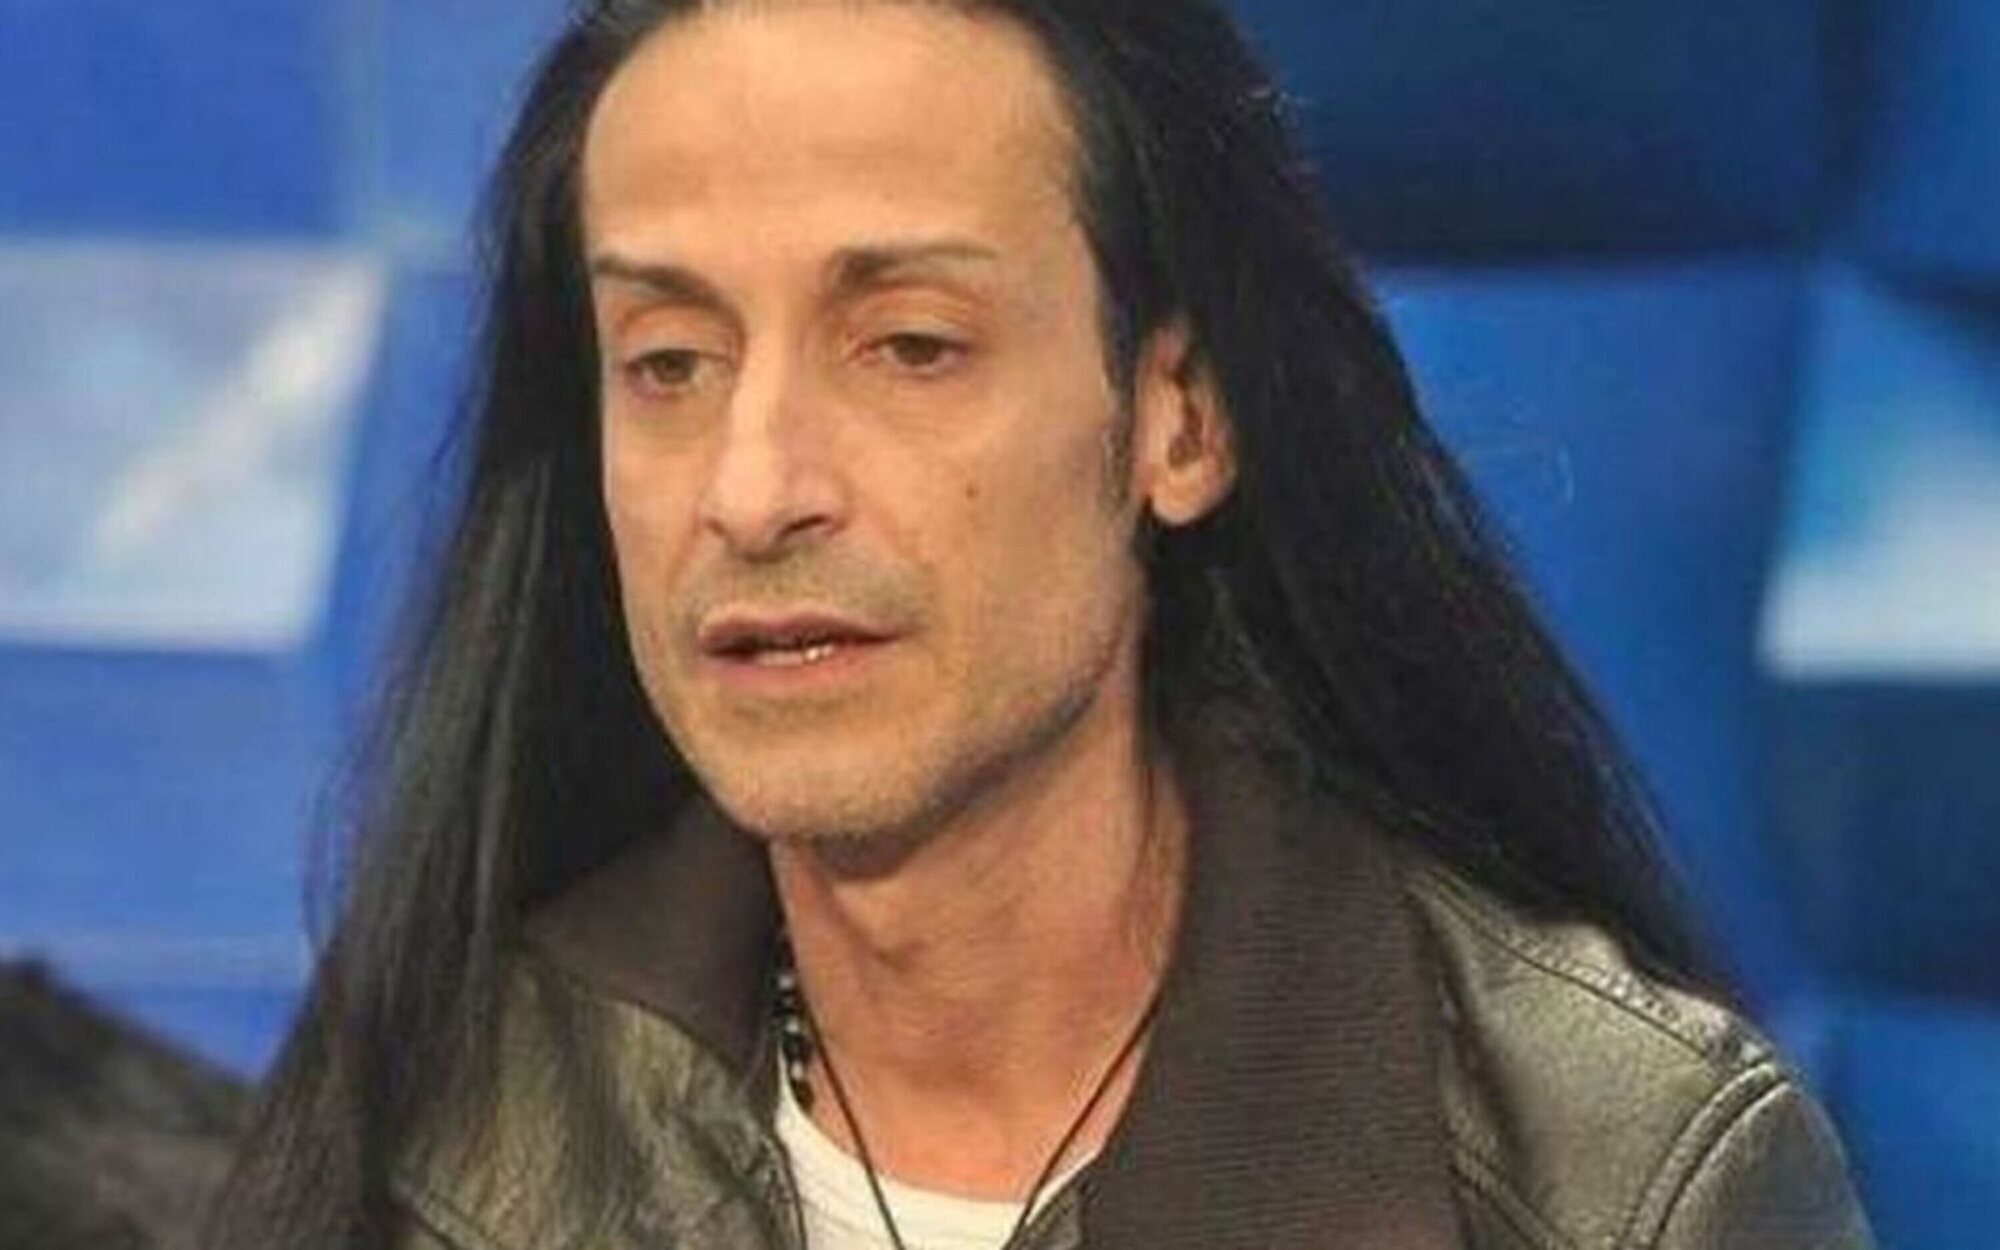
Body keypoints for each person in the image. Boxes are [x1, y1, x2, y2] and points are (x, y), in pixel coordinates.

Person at [211, 1, 1875, 1247]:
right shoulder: (448, 1112)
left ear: (1180, 417)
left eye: (909, 344)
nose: (753, 485)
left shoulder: (1615, 1183)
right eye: (669, 363)